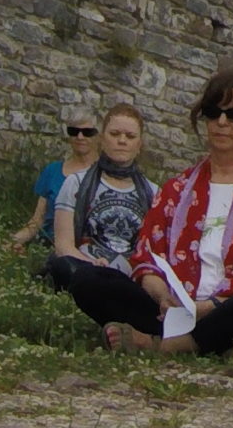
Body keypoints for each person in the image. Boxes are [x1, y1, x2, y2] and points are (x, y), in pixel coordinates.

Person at [126, 66, 233, 356]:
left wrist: (209, 306)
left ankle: (180, 344)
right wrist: (163, 296)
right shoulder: (175, 188)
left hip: (227, 305)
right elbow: (147, 254)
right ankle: (216, 341)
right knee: (92, 281)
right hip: (172, 304)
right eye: (213, 112)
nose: (221, 123)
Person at [41, 103, 156, 340]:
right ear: (102, 139)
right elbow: (63, 246)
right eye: (115, 134)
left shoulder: (155, 193)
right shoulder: (75, 183)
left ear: (139, 144)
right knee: (62, 266)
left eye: (129, 136)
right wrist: (91, 264)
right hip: (88, 268)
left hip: (130, 276)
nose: (122, 141)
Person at [6, 114, 99, 253]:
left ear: (98, 136)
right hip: (47, 243)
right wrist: (13, 241)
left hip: (86, 247)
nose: (80, 137)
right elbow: (37, 220)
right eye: (74, 132)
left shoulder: (103, 174)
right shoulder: (52, 171)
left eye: (87, 132)